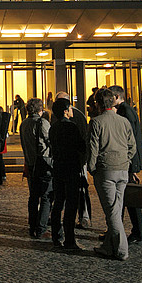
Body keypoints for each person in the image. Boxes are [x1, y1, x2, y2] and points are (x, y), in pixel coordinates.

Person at [88, 88, 136, 261]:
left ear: (98, 104)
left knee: (112, 212)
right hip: (122, 169)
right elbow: (132, 146)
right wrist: (126, 160)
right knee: (115, 209)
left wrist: (91, 167)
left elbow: (93, 148)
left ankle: (122, 249)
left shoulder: (96, 122)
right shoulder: (123, 121)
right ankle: (109, 246)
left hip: (106, 169)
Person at [48, 97, 87, 250]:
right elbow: (81, 146)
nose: (72, 111)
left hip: (58, 167)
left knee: (58, 202)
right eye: (70, 108)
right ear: (65, 111)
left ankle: (56, 235)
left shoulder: (53, 127)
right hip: (71, 167)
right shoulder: (71, 127)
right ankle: (69, 239)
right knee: (71, 204)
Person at [51, 91, 91, 229]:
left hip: (65, 163)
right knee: (70, 199)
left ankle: (83, 217)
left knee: (68, 196)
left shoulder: (76, 117)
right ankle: (69, 233)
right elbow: (81, 143)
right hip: (71, 164)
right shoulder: (68, 125)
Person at [110, 85, 142, 244]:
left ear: (117, 97)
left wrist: (132, 166)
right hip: (129, 160)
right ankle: (117, 229)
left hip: (129, 161)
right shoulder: (125, 110)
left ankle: (137, 232)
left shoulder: (125, 112)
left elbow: (130, 140)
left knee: (130, 199)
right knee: (123, 198)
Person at [20, 98, 53, 239]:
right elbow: (49, 141)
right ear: (40, 109)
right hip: (43, 163)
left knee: (33, 196)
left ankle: (32, 225)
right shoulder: (42, 123)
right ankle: (41, 228)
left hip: (30, 163)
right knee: (46, 196)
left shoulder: (24, 124)